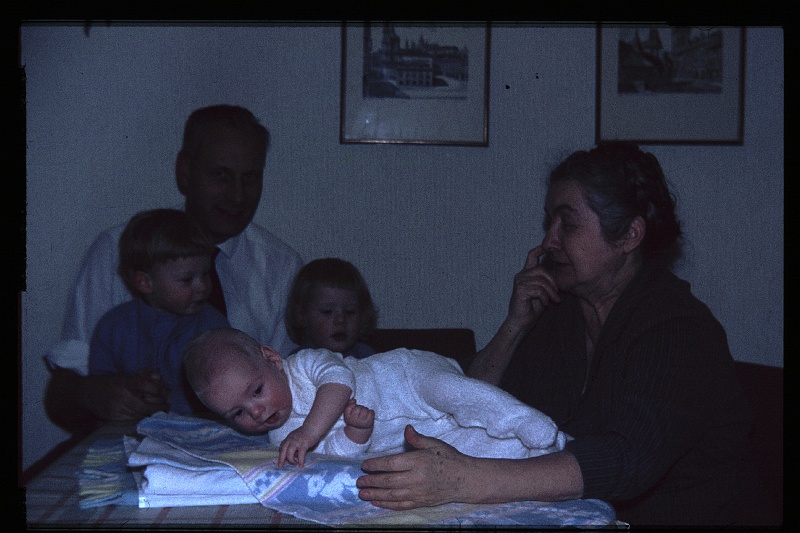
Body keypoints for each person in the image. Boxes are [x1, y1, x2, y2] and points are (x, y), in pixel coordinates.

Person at [355, 143, 753, 526]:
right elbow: (465, 409)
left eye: (569, 223)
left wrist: (467, 479)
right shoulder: (559, 312)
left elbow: (626, 459)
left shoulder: (678, 328)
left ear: (629, 236)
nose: (549, 241)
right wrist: (514, 326)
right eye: (549, 222)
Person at [45, 104, 304, 431]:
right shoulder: (116, 252)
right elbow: (59, 396)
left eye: (250, 178)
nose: (238, 196)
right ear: (185, 172)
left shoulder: (281, 268)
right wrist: (93, 393)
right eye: (220, 175)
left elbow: (295, 389)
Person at [183, 327, 569, 468]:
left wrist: (307, 434)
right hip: (408, 435)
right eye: (238, 413)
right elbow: (335, 456)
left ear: (272, 359)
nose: (257, 411)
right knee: (463, 452)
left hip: (408, 379)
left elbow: (338, 382)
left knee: (459, 395)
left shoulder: (303, 365)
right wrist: (353, 433)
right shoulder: (276, 439)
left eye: (256, 391)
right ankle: (545, 454)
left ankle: (521, 420)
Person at [89, 208, 229, 415]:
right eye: (187, 279)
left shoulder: (213, 328)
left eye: (205, 274)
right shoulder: (113, 327)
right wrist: (129, 390)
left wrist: (173, 401)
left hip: (195, 434)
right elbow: (100, 388)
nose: (203, 287)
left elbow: (226, 395)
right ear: (145, 282)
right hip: (127, 434)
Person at [285, 258, 377, 359]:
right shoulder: (299, 361)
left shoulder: (366, 356)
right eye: (327, 311)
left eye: (349, 312)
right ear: (301, 315)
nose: (341, 320)